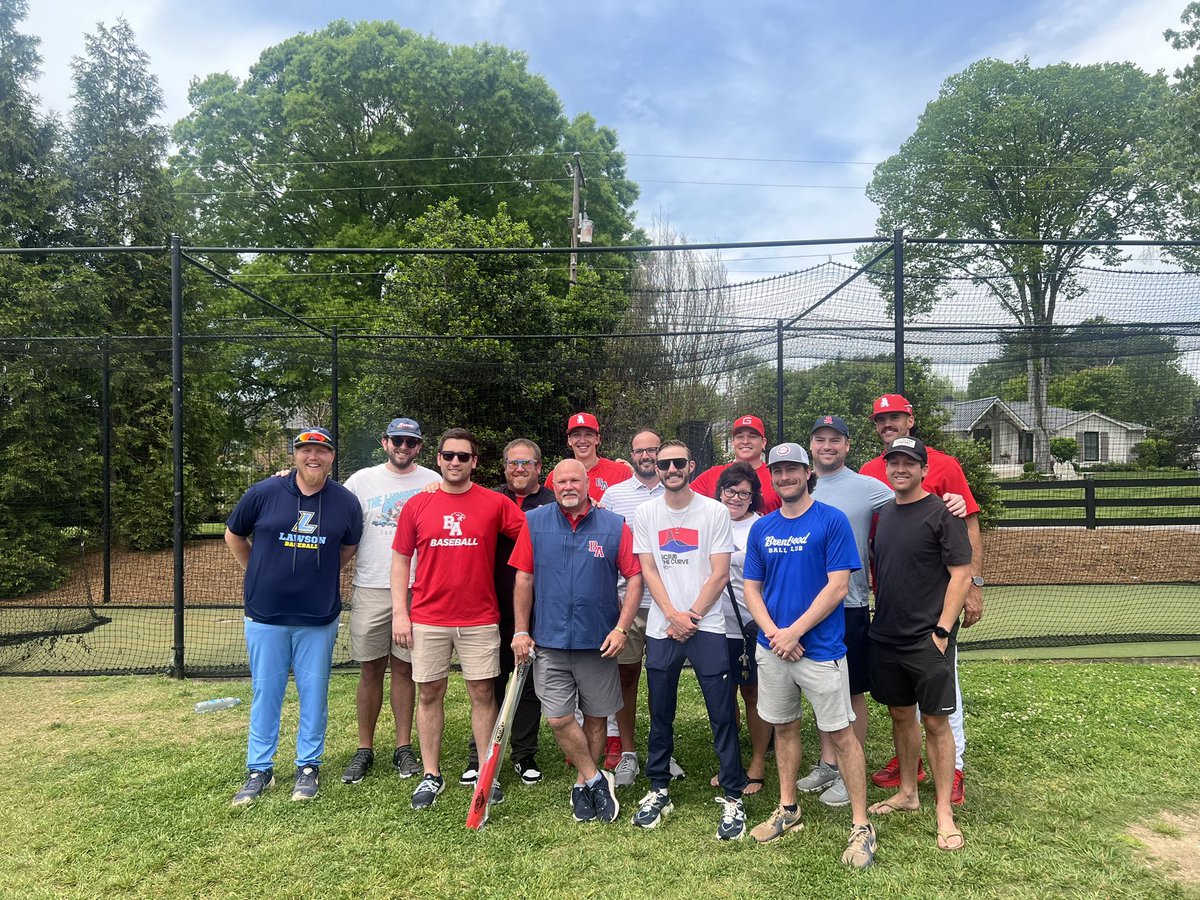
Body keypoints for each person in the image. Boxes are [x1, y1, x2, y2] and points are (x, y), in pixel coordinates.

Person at [801, 414, 967, 807]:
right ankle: (831, 763)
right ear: (811, 447)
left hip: (855, 606)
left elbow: (926, 510)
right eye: (820, 439)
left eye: (835, 440)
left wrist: (954, 499)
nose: (827, 446)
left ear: (847, 446)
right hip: (824, 613)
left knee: (855, 689)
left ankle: (850, 769)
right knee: (831, 690)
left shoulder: (870, 489)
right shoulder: (798, 486)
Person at [741, 442, 876, 869]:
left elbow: (838, 588)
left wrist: (794, 632)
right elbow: (751, 589)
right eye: (777, 470)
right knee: (783, 729)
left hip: (819, 650)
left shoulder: (830, 521)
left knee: (841, 735)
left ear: (806, 473)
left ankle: (861, 826)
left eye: (792, 469)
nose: (784, 477)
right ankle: (788, 808)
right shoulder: (762, 528)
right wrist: (773, 634)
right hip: (773, 648)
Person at [225, 427, 363, 806]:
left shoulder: (346, 502)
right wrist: (257, 571)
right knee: (266, 693)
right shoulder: (264, 492)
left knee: (314, 694)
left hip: (318, 616)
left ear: (332, 456)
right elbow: (234, 535)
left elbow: (348, 547)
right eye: (306, 450)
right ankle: (259, 769)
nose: (313, 457)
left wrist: (316, 576)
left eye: (321, 450)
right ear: (295, 455)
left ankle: (308, 766)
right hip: (265, 614)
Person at [391, 427, 526, 810]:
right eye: (449, 455)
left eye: (463, 457)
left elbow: (532, 534)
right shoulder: (418, 505)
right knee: (429, 693)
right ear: (438, 459)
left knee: (483, 694)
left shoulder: (494, 503)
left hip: (480, 617)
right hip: (428, 617)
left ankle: (487, 773)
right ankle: (431, 775)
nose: (455, 462)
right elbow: (400, 560)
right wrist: (401, 613)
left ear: (474, 463)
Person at [860, 394, 983, 804]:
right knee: (902, 709)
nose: (887, 423)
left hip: (931, 618)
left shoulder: (944, 466)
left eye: (894, 416)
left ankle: (955, 769)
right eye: (881, 419)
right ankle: (909, 770)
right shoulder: (871, 473)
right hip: (890, 614)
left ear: (910, 420)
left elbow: (967, 527)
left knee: (941, 706)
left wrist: (972, 590)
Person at [509, 459, 643, 824]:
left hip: (598, 642)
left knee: (598, 719)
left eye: (575, 480)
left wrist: (621, 628)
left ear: (588, 484)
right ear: (552, 485)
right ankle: (596, 778)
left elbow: (634, 578)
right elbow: (524, 579)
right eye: (562, 481)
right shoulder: (535, 523)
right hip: (549, 641)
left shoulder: (614, 526)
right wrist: (521, 630)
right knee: (557, 718)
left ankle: (582, 784)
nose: (569, 486)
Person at [630, 440, 748, 840]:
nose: (671, 468)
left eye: (679, 462)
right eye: (664, 464)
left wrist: (691, 616)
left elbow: (719, 573)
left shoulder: (713, 511)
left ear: (691, 465)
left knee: (722, 713)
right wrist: (673, 616)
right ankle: (658, 787)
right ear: (657, 469)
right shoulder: (646, 512)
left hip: (708, 625)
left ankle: (734, 794)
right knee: (660, 712)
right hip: (663, 627)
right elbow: (648, 569)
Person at [866, 437, 971, 853]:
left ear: (924, 470)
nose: (900, 468)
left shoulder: (943, 513)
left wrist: (942, 632)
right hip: (886, 635)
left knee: (935, 722)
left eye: (909, 462)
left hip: (928, 638)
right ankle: (908, 792)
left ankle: (944, 812)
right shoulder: (886, 514)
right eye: (894, 462)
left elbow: (960, 574)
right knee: (900, 715)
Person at [339, 417, 440, 786]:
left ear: (419, 446)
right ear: (384, 442)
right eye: (397, 440)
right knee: (370, 669)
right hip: (371, 586)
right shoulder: (360, 481)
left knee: (406, 670)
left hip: (419, 588)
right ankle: (364, 748)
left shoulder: (434, 481)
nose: (403, 447)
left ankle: (403, 747)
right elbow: (333, 512)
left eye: (410, 442)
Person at [597, 428, 685, 786]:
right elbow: (601, 544)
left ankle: (663, 751)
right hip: (628, 604)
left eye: (653, 451)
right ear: (631, 455)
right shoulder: (615, 496)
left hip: (669, 606)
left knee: (663, 681)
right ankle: (629, 753)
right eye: (640, 451)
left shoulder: (679, 491)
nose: (647, 457)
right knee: (626, 677)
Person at [469, 438, 556, 786]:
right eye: (513, 463)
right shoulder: (487, 498)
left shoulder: (554, 501)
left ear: (539, 468)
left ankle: (523, 754)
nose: (519, 469)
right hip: (489, 607)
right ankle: (479, 756)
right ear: (504, 467)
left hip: (537, 609)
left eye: (527, 463)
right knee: (488, 681)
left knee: (528, 683)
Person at [709, 462, 771, 796]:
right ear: (720, 491)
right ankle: (729, 762)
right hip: (714, 625)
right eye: (730, 491)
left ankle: (758, 763)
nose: (735, 498)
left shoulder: (761, 526)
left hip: (750, 625)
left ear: (753, 497)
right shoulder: (707, 521)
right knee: (723, 696)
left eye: (743, 493)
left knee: (753, 694)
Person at [689, 414, 782, 513]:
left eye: (752, 436)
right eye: (740, 437)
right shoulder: (711, 475)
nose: (745, 441)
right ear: (733, 442)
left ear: (763, 443)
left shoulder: (776, 476)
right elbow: (682, 500)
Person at [545, 412, 632, 503]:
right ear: (569, 440)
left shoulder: (621, 472)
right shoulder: (556, 475)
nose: (582, 440)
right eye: (576, 435)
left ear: (597, 439)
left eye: (588, 434)